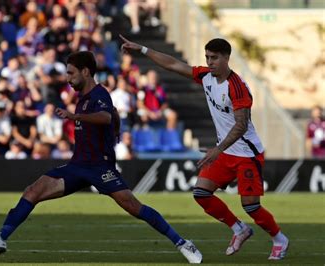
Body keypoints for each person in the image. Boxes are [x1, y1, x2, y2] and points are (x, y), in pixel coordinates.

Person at [0, 51, 202, 264]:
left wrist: (76, 117)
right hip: (78, 165)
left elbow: (105, 116)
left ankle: (182, 243)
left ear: (85, 72)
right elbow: (112, 116)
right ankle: (1, 236)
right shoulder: (82, 97)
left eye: (71, 73)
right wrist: (115, 130)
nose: (68, 77)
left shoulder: (99, 94)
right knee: (32, 191)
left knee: (134, 206)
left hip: (99, 166)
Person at [120, 36, 289, 260]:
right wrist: (142, 48)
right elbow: (172, 64)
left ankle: (279, 239)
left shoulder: (237, 87)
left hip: (247, 154)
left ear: (227, 58)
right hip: (225, 151)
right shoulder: (206, 77)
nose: (210, 62)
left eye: (214, 58)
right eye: (207, 57)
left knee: (251, 206)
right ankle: (239, 229)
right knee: (201, 193)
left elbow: (241, 125)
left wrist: (217, 150)